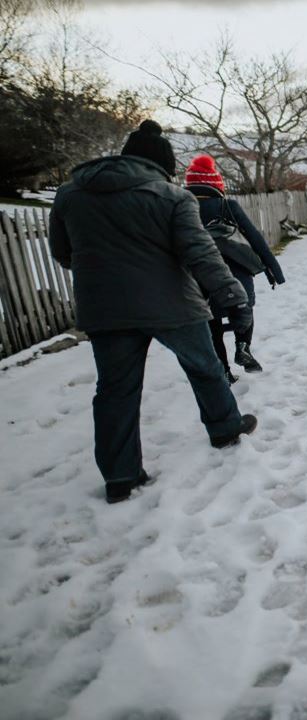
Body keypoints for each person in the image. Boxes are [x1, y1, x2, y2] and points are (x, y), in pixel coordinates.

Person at [48, 120, 258, 504]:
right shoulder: (172, 197)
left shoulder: (69, 195)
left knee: (114, 391)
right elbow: (199, 252)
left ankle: (121, 476)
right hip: (172, 304)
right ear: (161, 165)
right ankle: (225, 428)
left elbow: (63, 254)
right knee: (204, 367)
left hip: (105, 309)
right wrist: (229, 290)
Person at [185, 154, 286, 383]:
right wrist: (273, 271)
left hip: (198, 272)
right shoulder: (227, 206)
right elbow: (254, 237)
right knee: (243, 307)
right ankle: (243, 346)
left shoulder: (182, 207)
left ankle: (224, 372)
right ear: (216, 183)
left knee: (210, 321)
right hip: (235, 269)